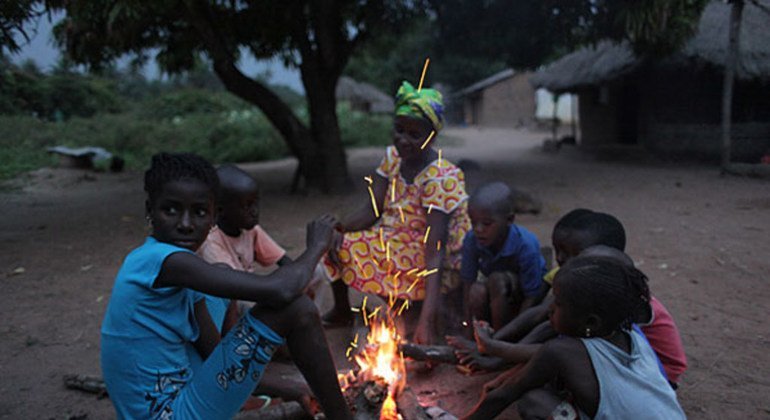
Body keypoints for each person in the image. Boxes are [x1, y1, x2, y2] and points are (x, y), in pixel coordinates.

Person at [100, 152, 352, 420]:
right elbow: (280, 290)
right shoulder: (159, 260)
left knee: (222, 276)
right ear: (150, 210)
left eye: (199, 212)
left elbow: (216, 359)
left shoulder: (187, 271)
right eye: (170, 209)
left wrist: (295, 389)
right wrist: (316, 247)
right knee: (297, 308)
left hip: (187, 394)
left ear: (213, 218)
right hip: (170, 414)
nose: (185, 224)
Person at [322, 80, 471, 345]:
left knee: (395, 256)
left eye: (414, 134)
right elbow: (373, 209)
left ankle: (417, 313)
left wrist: (430, 318)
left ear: (432, 136)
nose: (403, 140)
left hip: (437, 254)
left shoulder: (440, 177)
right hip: (396, 240)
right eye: (399, 130)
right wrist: (339, 229)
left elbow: (435, 250)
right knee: (332, 241)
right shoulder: (392, 157)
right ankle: (344, 311)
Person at [462, 256, 686, 419]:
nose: (549, 310)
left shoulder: (560, 352)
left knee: (534, 402)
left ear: (591, 323)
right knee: (541, 398)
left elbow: (501, 398)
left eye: (557, 304)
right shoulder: (631, 334)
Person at [460, 182, 546, 331]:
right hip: (496, 296)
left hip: (524, 300)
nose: (478, 229)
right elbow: (468, 283)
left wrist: (514, 333)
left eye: (487, 224)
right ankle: (480, 335)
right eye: (473, 223)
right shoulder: (471, 239)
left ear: (509, 220)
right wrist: (467, 328)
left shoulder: (526, 245)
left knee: (496, 280)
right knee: (476, 291)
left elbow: (532, 296)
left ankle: (499, 341)